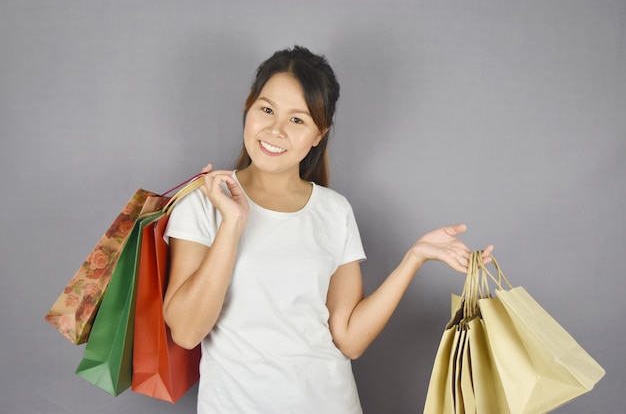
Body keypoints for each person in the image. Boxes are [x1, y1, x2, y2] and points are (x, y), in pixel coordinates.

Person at [162, 45, 493, 413]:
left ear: (319, 134)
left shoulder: (334, 211)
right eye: (267, 109)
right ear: (248, 108)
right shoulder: (201, 205)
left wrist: (413, 259)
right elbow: (187, 332)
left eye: (297, 120)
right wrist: (233, 223)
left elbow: (349, 339)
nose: (275, 129)